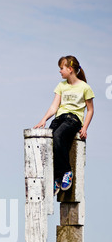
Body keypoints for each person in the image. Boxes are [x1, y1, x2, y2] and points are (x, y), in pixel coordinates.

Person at [34, 55, 95, 195]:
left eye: (61, 68)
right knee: (48, 143)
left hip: (73, 120)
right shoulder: (61, 86)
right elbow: (54, 107)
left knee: (57, 137)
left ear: (70, 69)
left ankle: (67, 172)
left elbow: (90, 110)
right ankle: (57, 178)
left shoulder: (85, 87)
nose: (60, 71)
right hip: (59, 118)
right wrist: (43, 120)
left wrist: (85, 127)